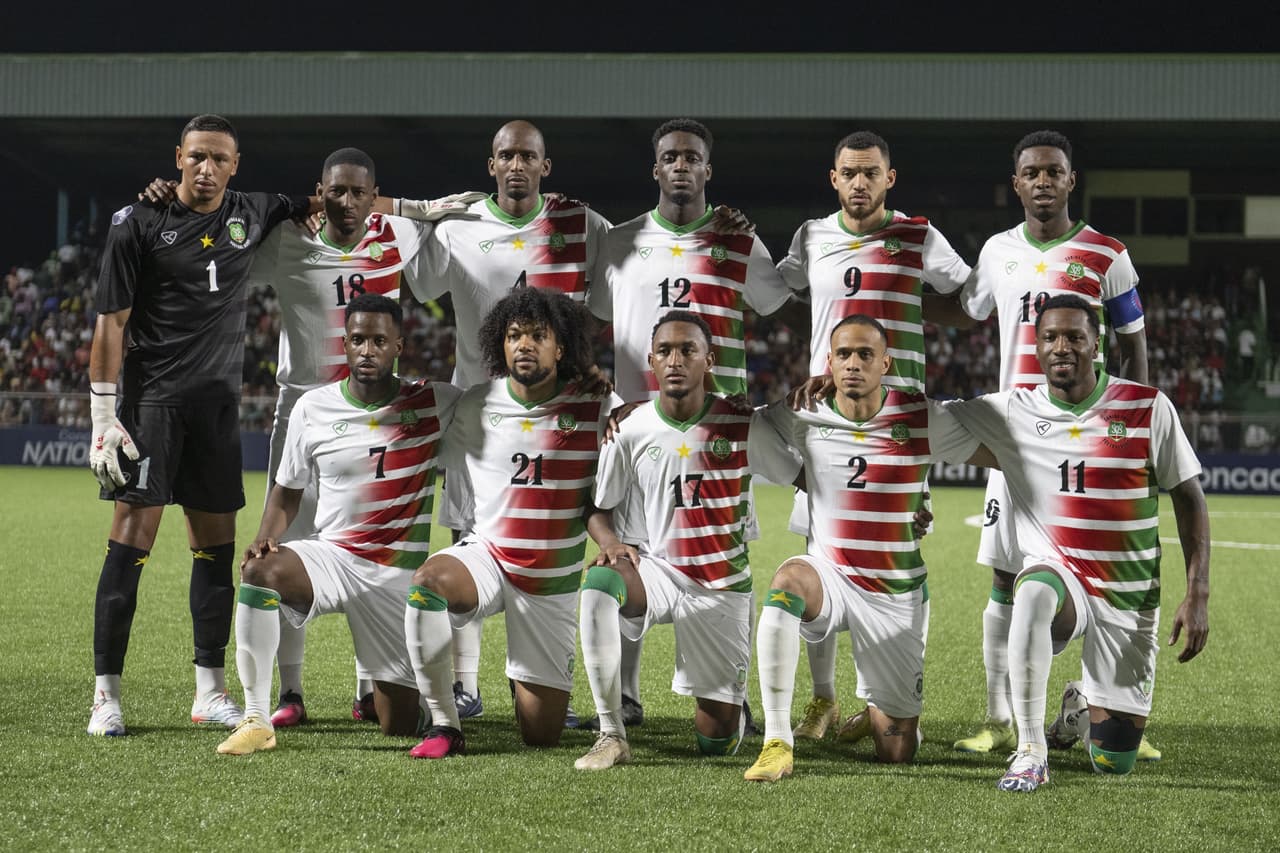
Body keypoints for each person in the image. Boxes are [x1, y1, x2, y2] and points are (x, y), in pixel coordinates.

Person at [924, 131, 1154, 759]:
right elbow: (965, 310)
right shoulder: (998, 252)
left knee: (1106, 571)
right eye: (1033, 173)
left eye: (1055, 171)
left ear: (1071, 181)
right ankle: (1000, 718)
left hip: (1087, 437)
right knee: (1006, 575)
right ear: (1017, 183)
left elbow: (1132, 342)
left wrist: (1127, 429)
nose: (1044, 181)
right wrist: (890, 302)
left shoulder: (1108, 254)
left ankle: (1100, 701)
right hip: (1014, 435)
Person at [86, 115, 311, 736]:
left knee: (215, 552)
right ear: (177, 158)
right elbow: (111, 323)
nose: (207, 168)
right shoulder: (138, 224)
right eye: (197, 157)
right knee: (129, 544)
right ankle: (106, 695)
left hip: (216, 411)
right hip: (151, 407)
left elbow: (323, 200)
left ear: (235, 165)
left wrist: (415, 207)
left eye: (219, 159)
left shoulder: (253, 209)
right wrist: (103, 418)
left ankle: (209, 690)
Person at [943, 295, 1209, 792]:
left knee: (1114, 762)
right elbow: (928, 421)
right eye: (1050, 337)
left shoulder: (1146, 408)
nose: (1061, 347)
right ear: (1037, 347)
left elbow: (1189, 497)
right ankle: (1029, 750)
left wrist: (1198, 592)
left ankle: (1078, 709)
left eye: (1074, 337)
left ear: (1097, 344)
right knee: (1032, 593)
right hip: (1060, 574)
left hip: (1127, 595)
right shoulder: (1013, 411)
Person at [586, 118, 796, 729]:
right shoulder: (620, 241)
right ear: (656, 168)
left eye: (693, 157)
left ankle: (729, 686)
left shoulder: (739, 242)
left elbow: (778, 303)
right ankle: (623, 694)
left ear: (708, 170)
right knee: (624, 554)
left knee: (721, 558)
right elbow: (597, 318)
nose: (681, 165)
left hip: (718, 437)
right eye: (671, 156)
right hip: (636, 430)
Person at [776, 131, 973, 741]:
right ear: (832, 178)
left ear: (891, 178)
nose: (859, 182)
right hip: (828, 420)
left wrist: (909, 305)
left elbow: (968, 299)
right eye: (848, 173)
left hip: (901, 428)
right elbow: (779, 290)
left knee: (898, 550)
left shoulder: (917, 237)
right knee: (818, 545)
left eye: (870, 173)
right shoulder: (810, 236)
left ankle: (888, 697)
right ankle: (823, 699)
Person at [742, 314, 991, 781]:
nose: (853, 364)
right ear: (828, 363)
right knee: (786, 584)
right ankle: (778, 740)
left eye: (864, 355)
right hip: (830, 575)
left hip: (893, 593)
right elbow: (742, 424)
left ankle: (881, 713)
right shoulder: (802, 411)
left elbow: (997, 449)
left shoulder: (920, 415)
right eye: (843, 355)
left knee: (896, 752)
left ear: (886, 364)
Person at [216, 294, 460, 754]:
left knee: (399, 725)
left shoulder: (432, 401)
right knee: (259, 573)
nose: (367, 350)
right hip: (334, 556)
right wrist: (266, 536)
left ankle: (419, 702)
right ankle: (256, 718)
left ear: (398, 346)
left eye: (379, 341)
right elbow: (287, 490)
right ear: (344, 344)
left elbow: (498, 403)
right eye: (358, 340)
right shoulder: (312, 407)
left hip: (396, 574)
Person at [402, 286, 621, 758]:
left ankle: (521, 679)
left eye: (538, 335)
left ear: (559, 347)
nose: (524, 344)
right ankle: (445, 724)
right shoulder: (473, 405)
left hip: (550, 580)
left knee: (540, 734)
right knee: (429, 583)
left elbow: (636, 439)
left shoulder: (596, 403)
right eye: (514, 334)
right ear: (499, 346)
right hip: (489, 557)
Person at [577, 310, 797, 769]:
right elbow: (598, 507)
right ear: (651, 362)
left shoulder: (742, 423)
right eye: (664, 351)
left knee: (714, 742)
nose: (675, 360)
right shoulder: (629, 428)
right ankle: (610, 733)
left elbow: (805, 476)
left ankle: (730, 710)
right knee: (599, 583)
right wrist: (611, 542)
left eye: (687, 350)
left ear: (708, 360)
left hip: (720, 584)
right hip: (656, 568)